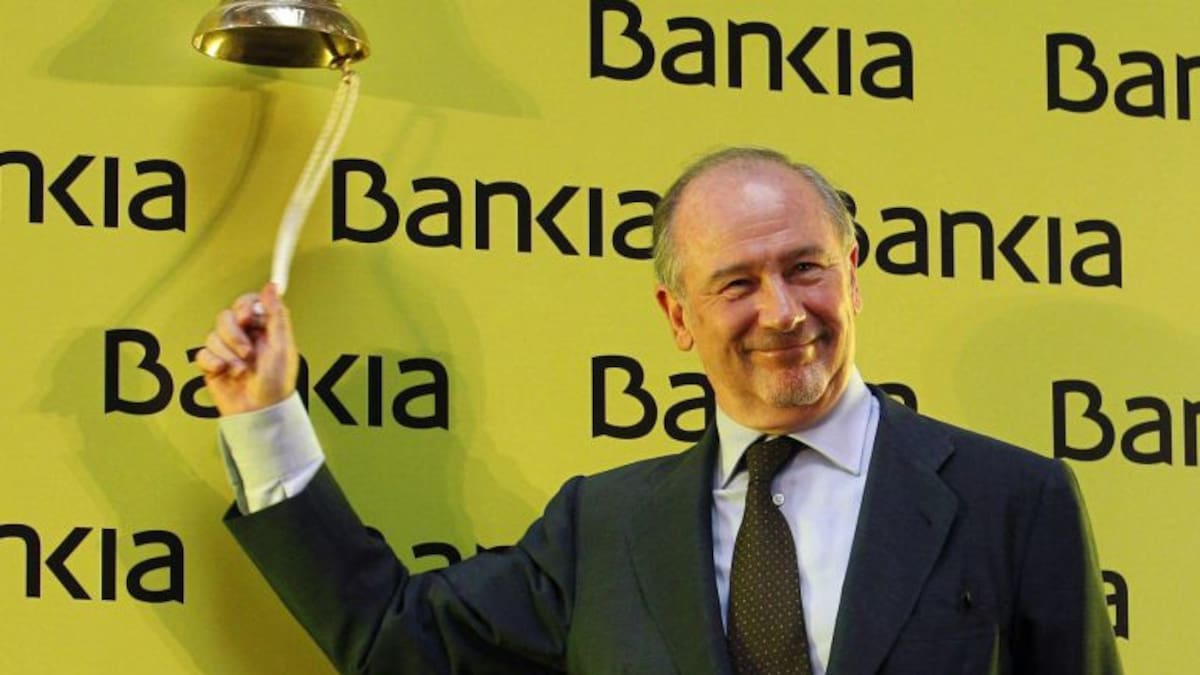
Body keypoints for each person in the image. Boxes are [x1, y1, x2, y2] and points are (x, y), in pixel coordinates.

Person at [198, 147, 1123, 674]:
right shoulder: (601, 529)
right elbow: (394, 640)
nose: (782, 312)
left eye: (805, 267)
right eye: (737, 283)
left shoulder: (1015, 501)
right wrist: (263, 418)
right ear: (678, 317)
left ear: (853, 275)